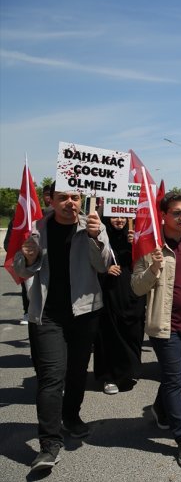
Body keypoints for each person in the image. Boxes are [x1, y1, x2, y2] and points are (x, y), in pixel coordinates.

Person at [14, 183, 111, 472]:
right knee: (51, 377)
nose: (70, 202)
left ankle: (72, 416)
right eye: (63, 198)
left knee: (77, 371)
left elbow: (105, 265)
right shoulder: (37, 228)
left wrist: (95, 237)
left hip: (84, 313)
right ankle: (49, 445)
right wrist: (29, 258)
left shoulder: (93, 225)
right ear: (50, 201)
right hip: (48, 315)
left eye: (75, 197)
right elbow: (21, 269)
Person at [131, 192, 181, 467]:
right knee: (176, 380)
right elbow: (137, 287)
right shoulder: (149, 245)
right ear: (163, 215)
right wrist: (153, 268)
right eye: (177, 213)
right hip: (164, 327)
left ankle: (159, 408)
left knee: (177, 373)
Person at [94, 217, 146, 394]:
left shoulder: (134, 235)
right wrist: (104, 270)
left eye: (123, 217)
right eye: (115, 216)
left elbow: (146, 262)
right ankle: (109, 376)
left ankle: (129, 371)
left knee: (133, 331)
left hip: (133, 293)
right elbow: (89, 262)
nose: (120, 220)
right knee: (110, 334)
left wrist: (136, 245)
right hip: (109, 292)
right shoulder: (99, 237)